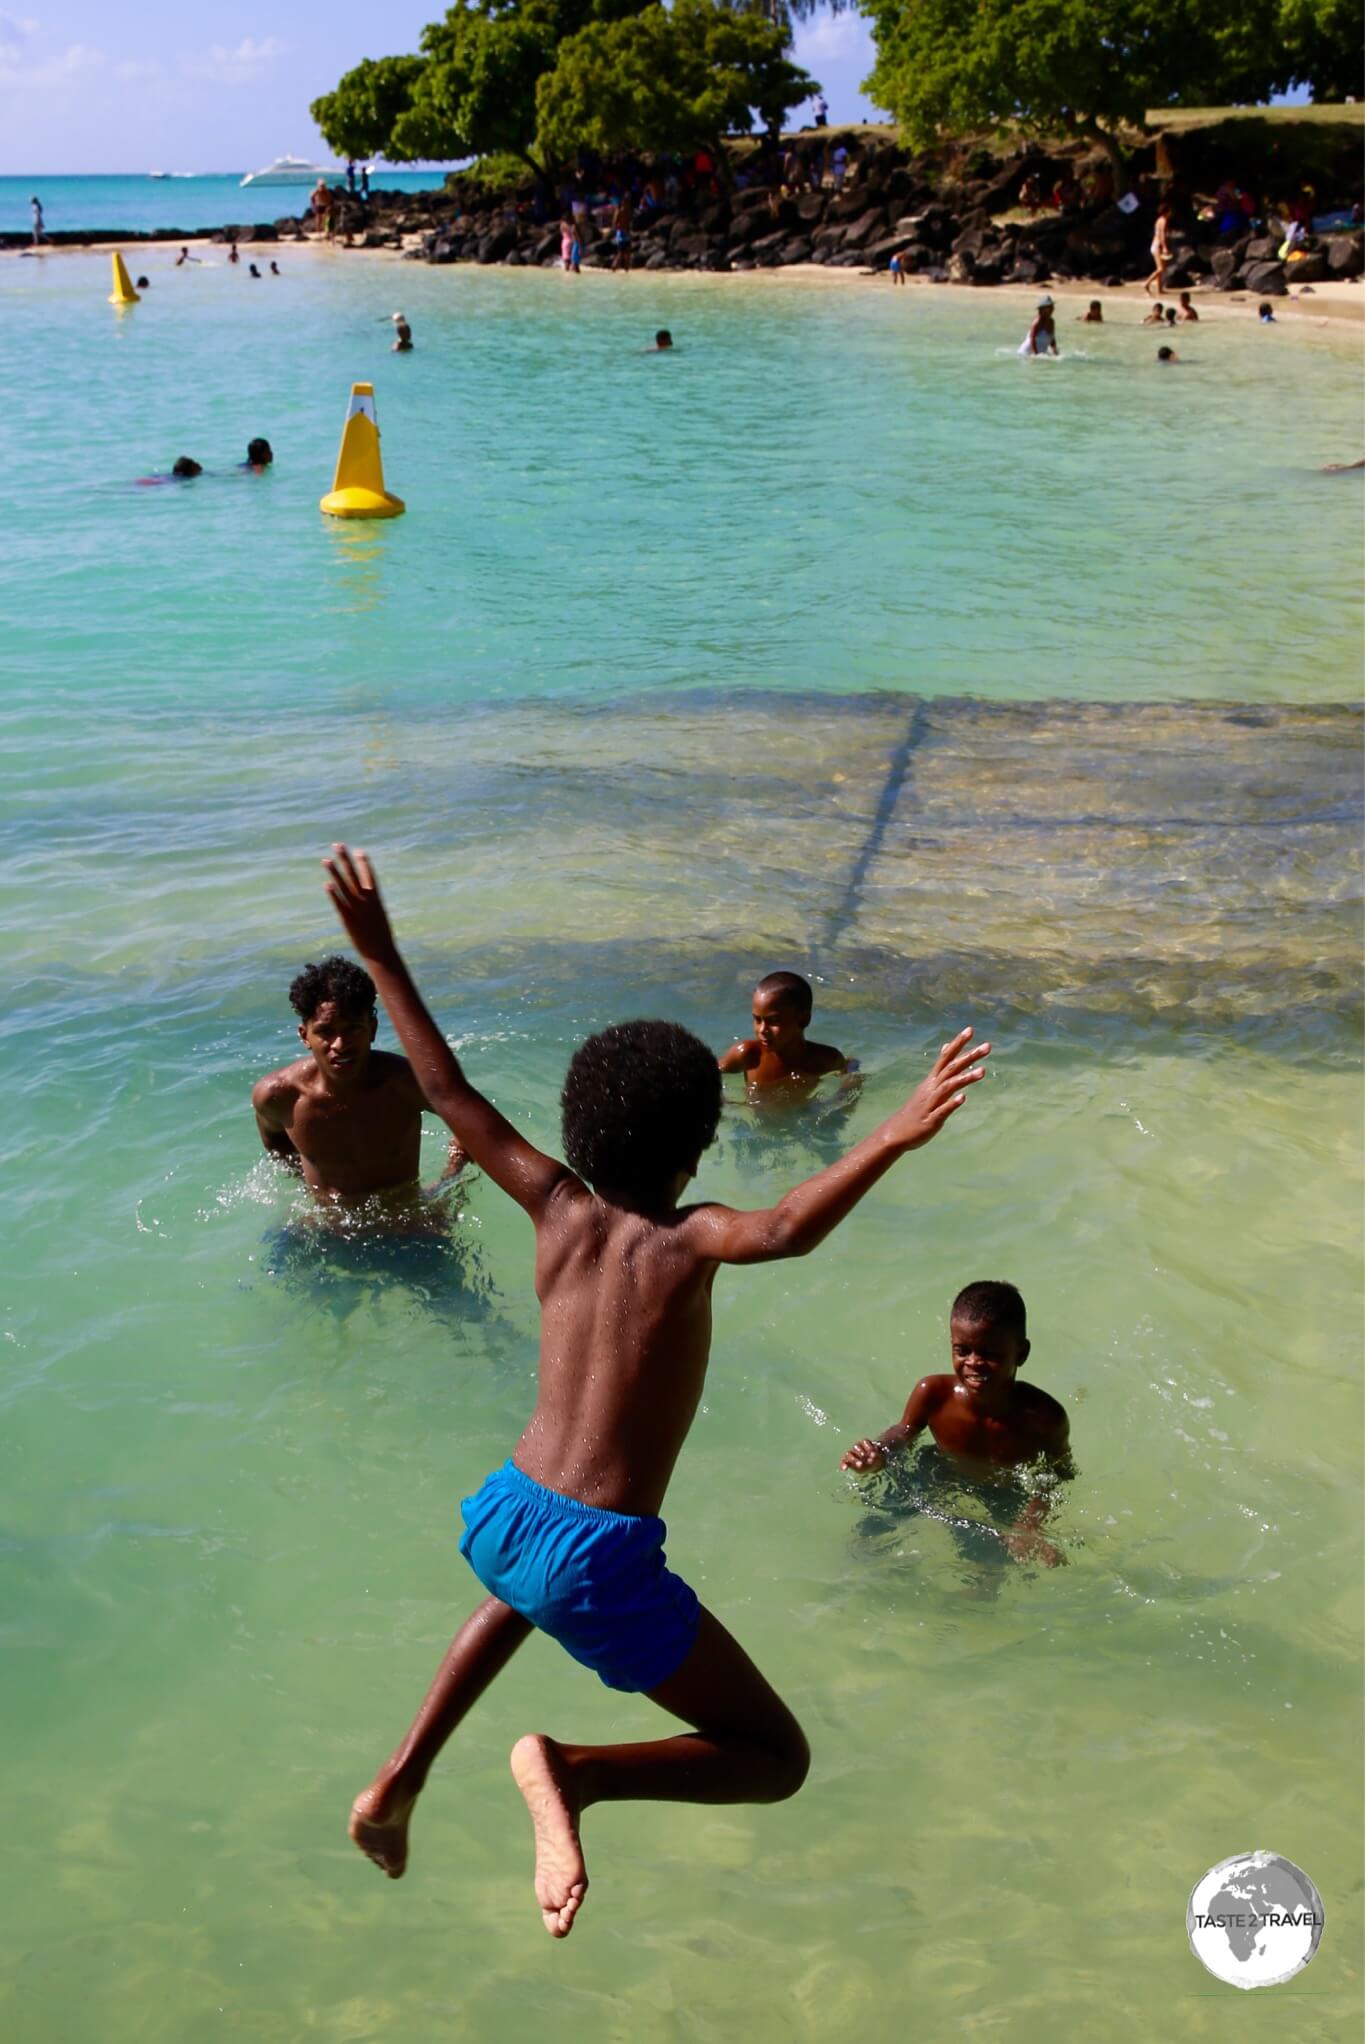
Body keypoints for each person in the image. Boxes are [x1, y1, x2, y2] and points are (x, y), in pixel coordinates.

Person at [324, 845, 989, 1932]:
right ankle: (574, 1771)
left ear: (583, 1128)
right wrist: (895, 1132)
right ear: (693, 1154)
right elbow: (785, 1227)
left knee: (520, 1590)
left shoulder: (552, 1202)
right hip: (598, 1554)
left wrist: (382, 952)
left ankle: (396, 1780)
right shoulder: (688, 1241)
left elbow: (446, 1090)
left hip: (507, 1513)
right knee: (776, 1757)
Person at [840, 1281, 1071, 1566]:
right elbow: (903, 1433)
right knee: (869, 1537)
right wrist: (879, 1454)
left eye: (989, 1354)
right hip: (938, 1472)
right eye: (962, 1350)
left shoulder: (1044, 1417)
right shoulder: (934, 1393)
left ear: (1021, 1353)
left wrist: (1031, 1520)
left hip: (1002, 1492)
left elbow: (1060, 1472)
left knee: (992, 1567)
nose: (973, 1362)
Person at [251, 952, 465, 1224]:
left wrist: (449, 1179)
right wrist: (310, 1199)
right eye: (326, 1031)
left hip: (403, 1226)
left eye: (353, 1028)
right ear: (305, 1035)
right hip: (324, 1230)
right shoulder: (278, 1096)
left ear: (372, 1028)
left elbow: (474, 1124)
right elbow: (275, 1141)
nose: (340, 1044)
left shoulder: (408, 1084)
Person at [719, 971, 848, 1099]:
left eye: (773, 1021)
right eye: (757, 1020)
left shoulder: (824, 1059)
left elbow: (850, 1073)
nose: (763, 1029)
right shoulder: (748, 1055)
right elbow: (704, 1072)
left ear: (803, 1020)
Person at [1144, 201, 1172, 296]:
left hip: (1155, 245)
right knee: (1160, 269)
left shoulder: (1159, 220)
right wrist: (1165, 247)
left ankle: (1160, 290)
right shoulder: (1164, 221)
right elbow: (1162, 235)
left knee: (1160, 268)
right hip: (1158, 246)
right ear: (1167, 212)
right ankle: (1146, 284)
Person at [611, 194, 633, 273]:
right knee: (620, 254)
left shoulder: (628, 212)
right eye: (626, 202)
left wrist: (628, 232)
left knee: (627, 254)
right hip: (621, 234)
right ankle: (613, 269)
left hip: (626, 234)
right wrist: (624, 230)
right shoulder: (619, 212)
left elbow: (628, 224)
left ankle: (626, 271)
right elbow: (615, 225)